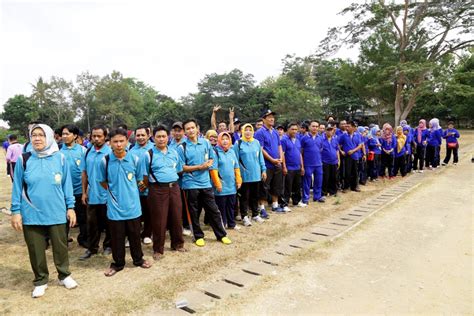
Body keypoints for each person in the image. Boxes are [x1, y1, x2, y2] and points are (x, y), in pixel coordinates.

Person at [10, 123, 78, 298]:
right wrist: (16, 211)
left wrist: (70, 207)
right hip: (31, 213)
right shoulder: (23, 159)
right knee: (36, 249)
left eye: (41, 135)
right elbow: (17, 187)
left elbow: (67, 185)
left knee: (60, 247)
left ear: (48, 137)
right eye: (34, 135)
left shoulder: (60, 158)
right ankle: (41, 280)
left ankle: (64, 275)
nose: (37, 138)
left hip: (56, 212)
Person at [97, 128, 152, 276]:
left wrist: (131, 192)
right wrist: (114, 192)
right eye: (115, 141)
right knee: (117, 237)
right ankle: (118, 264)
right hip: (115, 208)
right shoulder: (105, 161)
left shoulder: (135, 159)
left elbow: (141, 179)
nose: (119, 144)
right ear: (110, 143)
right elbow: (102, 181)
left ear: (127, 142)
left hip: (133, 206)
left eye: (122, 141)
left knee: (135, 235)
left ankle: (138, 260)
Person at [178, 119, 231, 247]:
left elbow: (212, 159)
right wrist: (199, 167)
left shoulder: (206, 143)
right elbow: (181, 167)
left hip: (206, 183)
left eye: (192, 127)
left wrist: (209, 166)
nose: (190, 130)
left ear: (197, 128)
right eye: (187, 129)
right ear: (185, 132)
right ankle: (198, 236)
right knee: (194, 211)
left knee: (213, 210)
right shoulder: (182, 147)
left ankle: (221, 235)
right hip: (190, 183)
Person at [139, 125, 186, 260]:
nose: (161, 139)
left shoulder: (174, 152)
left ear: (168, 137)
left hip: (174, 187)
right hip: (157, 189)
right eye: (158, 137)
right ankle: (158, 249)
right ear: (153, 138)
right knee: (159, 220)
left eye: (164, 136)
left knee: (177, 217)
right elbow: (145, 176)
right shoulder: (148, 154)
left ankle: (177, 243)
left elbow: (178, 169)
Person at [79, 125, 112, 260]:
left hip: (107, 195)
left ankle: (108, 246)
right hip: (92, 195)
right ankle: (92, 248)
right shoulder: (88, 152)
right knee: (92, 224)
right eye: (94, 136)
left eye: (99, 136)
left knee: (109, 223)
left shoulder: (110, 152)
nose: (97, 139)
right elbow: (84, 173)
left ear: (105, 137)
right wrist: (83, 192)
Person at [233, 124, 267, 226]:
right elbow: (235, 160)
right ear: (242, 131)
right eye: (246, 130)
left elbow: (260, 158)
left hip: (256, 175)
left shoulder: (256, 142)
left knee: (255, 196)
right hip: (244, 176)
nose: (248, 132)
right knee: (244, 197)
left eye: (250, 130)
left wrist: (263, 170)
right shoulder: (238, 143)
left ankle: (255, 215)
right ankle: (244, 216)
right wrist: (237, 174)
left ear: (253, 132)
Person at [60, 125, 88, 247]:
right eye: (63, 134)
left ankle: (84, 239)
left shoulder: (83, 151)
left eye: (67, 134)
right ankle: (62, 240)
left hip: (79, 190)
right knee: (63, 218)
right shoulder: (58, 152)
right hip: (64, 192)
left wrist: (85, 191)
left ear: (75, 136)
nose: (64, 136)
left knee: (83, 218)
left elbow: (86, 172)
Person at [254, 109, 286, 214]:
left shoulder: (275, 132)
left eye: (273, 117)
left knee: (276, 185)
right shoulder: (260, 132)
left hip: (277, 163)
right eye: (269, 117)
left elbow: (279, 146)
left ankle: (275, 205)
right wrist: (272, 160)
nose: (272, 119)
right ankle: (262, 208)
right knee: (264, 186)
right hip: (266, 164)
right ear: (264, 119)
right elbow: (260, 149)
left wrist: (280, 158)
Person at [210, 132, 242, 229]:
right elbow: (213, 169)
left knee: (231, 205)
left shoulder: (232, 151)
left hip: (231, 185)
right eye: (223, 139)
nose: (225, 141)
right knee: (221, 207)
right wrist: (217, 183)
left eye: (227, 139)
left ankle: (231, 223)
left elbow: (236, 167)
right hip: (221, 185)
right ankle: (222, 224)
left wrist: (239, 180)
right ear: (219, 140)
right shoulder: (215, 152)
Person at [129, 125, 154, 245]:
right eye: (138, 135)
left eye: (143, 135)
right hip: (135, 188)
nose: (140, 137)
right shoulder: (131, 150)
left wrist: (146, 183)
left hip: (150, 187)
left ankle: (147, 233)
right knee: (136, 213)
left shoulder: (154, 148)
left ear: (148, 135)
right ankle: (134, 234)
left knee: (149, 212)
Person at [281, 123, 305, 207]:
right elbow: (282, 154)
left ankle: (296, 201)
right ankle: (285, 204)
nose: (294, 131)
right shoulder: (284, 140)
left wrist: (302, 167)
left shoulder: (298, 140)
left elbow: (299, 154)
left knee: (297, 186)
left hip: (297, 167)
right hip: (289, 167)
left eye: (296, 129)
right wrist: (284, 167)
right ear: (288, 130)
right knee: (287, 187)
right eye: (292, 129)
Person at [301, 120, 325, 204]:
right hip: (308, 164)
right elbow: (301, 151)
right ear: (309, 127)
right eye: (313, 126)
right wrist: (302, 165)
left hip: (318, 163)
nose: (315, 128)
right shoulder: (304, 138)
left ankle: (317, 196)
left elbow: (321, 149)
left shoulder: (321, 138)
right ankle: (305, 198)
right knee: (307, 182)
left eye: (316, 126)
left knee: (318, 181)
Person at [338, 121, 364, 192]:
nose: (346, 128)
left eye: (348, 126)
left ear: (352, 127)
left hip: (355, 156)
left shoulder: (358, 135)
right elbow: (338, 145)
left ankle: (355, 186)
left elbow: (360, 145)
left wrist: (353, 150)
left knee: (355, 172)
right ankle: (346, 187)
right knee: (347, 172)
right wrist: (341, 151)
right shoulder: (343, 136)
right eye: (346, 126)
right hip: (347, 157)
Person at [321, 124, 339, 196]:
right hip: (325, 162)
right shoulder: (322, 140)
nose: (330, 132)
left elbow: (337, 150)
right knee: (325, 177)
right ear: (325, 131)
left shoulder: (335, 140)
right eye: (328, 130)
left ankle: (333, 191)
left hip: (334, 161)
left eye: (331, 130)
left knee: (334, 177)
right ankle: (324, 192)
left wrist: (339, 159)